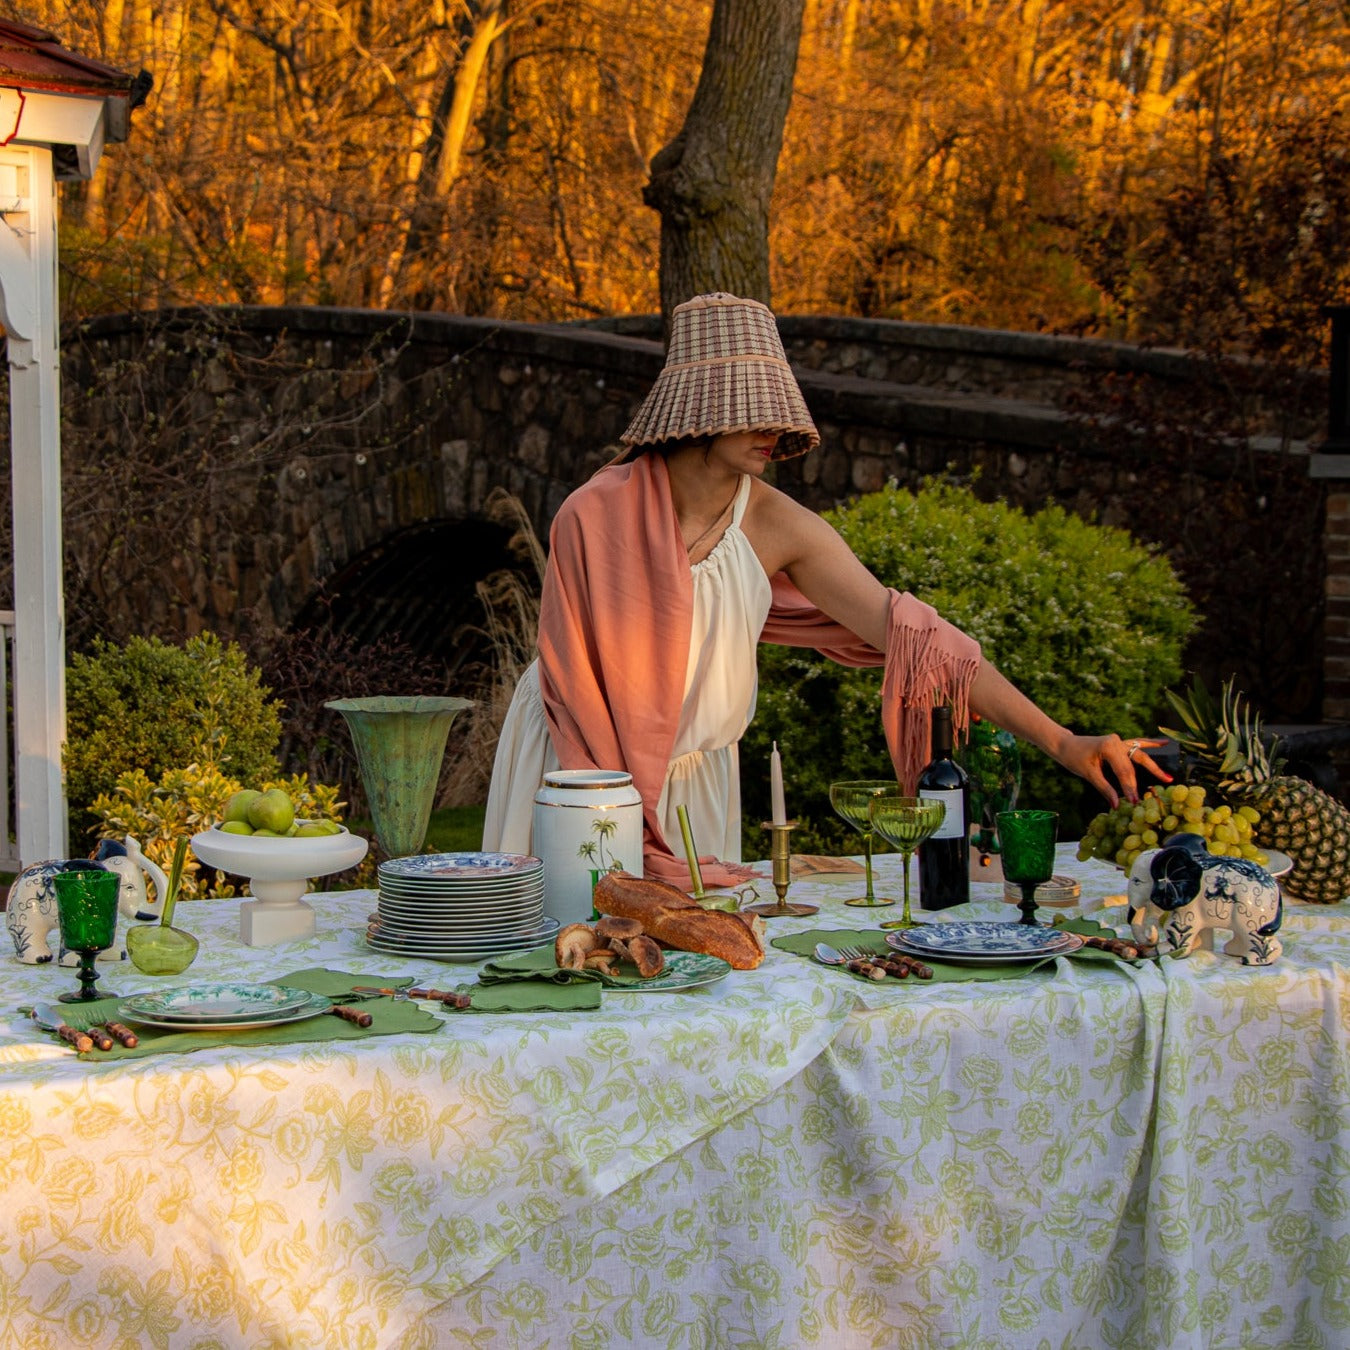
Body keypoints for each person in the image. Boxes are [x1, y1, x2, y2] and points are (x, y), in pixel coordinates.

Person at [482, 293, 1166, 885]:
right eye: (757, 410)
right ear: (703, 410)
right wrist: (615, 818)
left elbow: (916, 638)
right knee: (565, 965)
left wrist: (1063, 741)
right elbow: (576, 692)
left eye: (780, 411)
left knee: (685, 987)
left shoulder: (781, 527)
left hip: (693, 783)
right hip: (578, 773)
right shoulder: (593, 514)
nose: (777, 431)